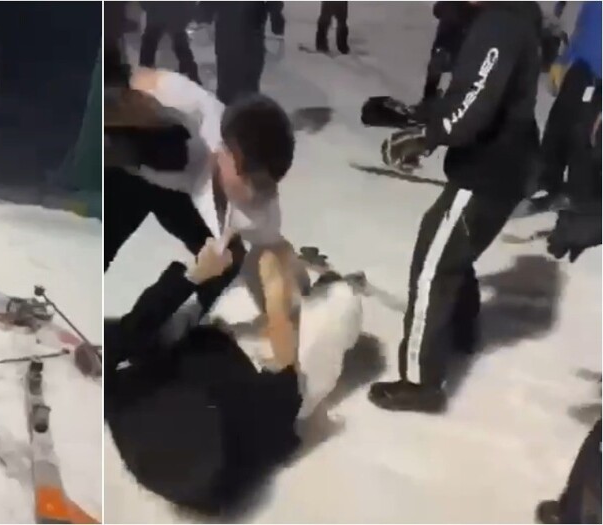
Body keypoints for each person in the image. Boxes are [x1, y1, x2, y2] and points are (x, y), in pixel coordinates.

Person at [369, 2, 544, 413]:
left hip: (489, 170)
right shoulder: (509, 15)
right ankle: (461, 330)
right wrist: (418, 115)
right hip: (503, 165)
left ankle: (420, 383)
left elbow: (475, 105)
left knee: (433, 263)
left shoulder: (500, 24)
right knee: (451, 250)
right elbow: (470, 92)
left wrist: (427, 136)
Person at [105, 236, 362, 513]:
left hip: (214, 351)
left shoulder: (129, 399)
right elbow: (287, 373)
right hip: (266, 375)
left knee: (258, 277)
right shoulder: (237, 436)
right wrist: (276, 296)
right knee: (340, 303)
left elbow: (131, 331)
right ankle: (327, 287)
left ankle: (302, 285)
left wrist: (195, 276)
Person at [105, 44, 296, 319]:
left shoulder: (258, 202)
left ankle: (187, 326)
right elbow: (140, 84)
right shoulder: (178, 102)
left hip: (173, 187)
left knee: (226, 264)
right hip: (128, 174)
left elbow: (272, 249)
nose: (253, 193)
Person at [535, 0, 600, 200]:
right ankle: (544, 184)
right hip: (579, 67)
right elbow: (584, 25)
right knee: (558, 124)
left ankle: (579, 200)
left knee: (584, 138)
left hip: (599, 79)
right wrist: (563, 59)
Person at [210, 2, 271, 104]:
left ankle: (230, 107)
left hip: (230, 37)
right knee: (247, 82)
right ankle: (245, 106)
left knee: (228, 79)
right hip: (249, 37)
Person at [420, 2, 479, 107]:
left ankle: (429, 103)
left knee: (435, 74)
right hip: (457, 45)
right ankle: (440, 103)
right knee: (453, 75)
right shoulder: (472, 8)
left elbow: (437, 11)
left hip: (445, 44)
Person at [138, 2, 200, 84]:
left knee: (149, 43)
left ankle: (145, 73)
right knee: (181, 44)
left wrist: (148, 7)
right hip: (179, 12)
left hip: (156, 12)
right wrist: (189, 12)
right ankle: (190, 75)